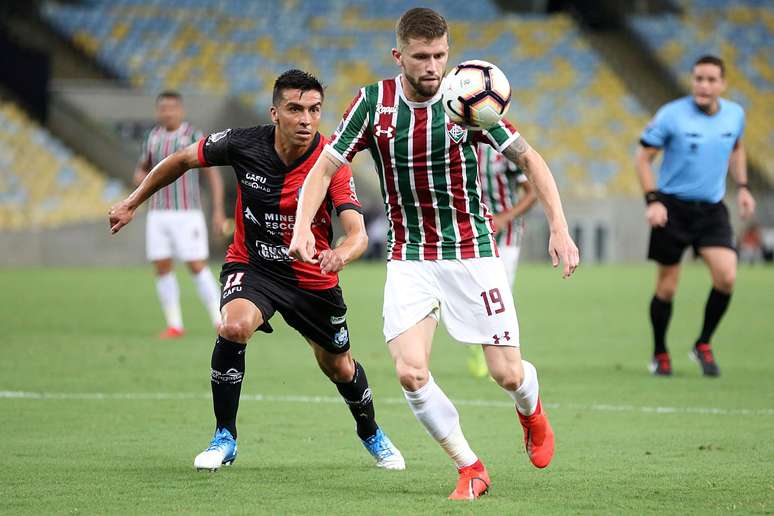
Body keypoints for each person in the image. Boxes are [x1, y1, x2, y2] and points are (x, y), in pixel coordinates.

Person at [289, 8, 579, 500]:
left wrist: (560, 227)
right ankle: (470, 467)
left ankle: (530, 409)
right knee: (409, 371)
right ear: (399, 56)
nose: (432, 66)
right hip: (410, 256)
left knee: (507, 373)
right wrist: (301, 227)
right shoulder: (371, 104)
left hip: (473, 251)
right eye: (421, 57)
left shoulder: (468, 98)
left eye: (440, 55)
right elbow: (323, 168)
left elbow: (530, 158)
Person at [110, 70, 404, 472]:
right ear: (275, 112)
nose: (305, 119)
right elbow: (180, 160)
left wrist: (340, 255)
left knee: (338, 366)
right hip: (254, 264)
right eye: (295, 109)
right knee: (232, 326)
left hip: (311, 278)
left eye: (314, 110)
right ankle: (224, 436)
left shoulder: (332, 163)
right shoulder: (243, 143)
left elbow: (355, 234)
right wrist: (132, 202)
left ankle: (370, 432)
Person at [635, 55, 756, 377]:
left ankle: (703, 343)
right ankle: (660, 351)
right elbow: (643, 158)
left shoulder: (735, 115)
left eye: (711, 79)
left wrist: (742, 186)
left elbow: (738, 147)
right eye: (698, 79)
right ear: (692, 81)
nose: (704, 85)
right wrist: (653, 201)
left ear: (723, 83)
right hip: (672, 208)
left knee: (727, 277)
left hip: (711, 210)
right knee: (667, 288)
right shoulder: (671, 115)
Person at [134, 91, 226, 338]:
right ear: (158, 111)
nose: (168, 112)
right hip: (158, 213)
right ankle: (174, 324)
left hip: (187, 213)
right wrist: (139, 182)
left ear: (181, 111)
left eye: (172, 108)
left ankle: (220, 320)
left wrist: (217, 210)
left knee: (197, 265)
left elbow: (212, 174)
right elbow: (142, 169)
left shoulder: (192, 136)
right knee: (162, 266)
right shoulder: (151, 138)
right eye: (163, 108)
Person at [468, 144, 537, 378]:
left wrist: (505, 217)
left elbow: (532, 192)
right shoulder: (458, 143)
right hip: (473, 232)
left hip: (507, 232)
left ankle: (498, 354)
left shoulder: (502, 151)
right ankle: (478, 347)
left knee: (500, 293)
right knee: (473, 291)